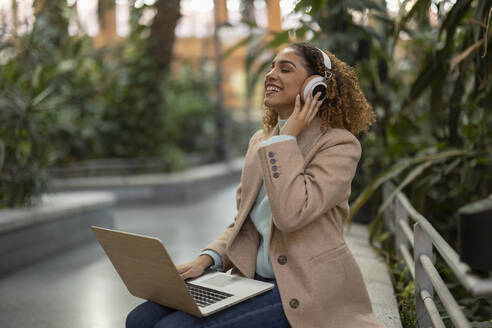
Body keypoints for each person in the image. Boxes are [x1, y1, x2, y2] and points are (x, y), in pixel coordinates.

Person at [126, 41, 385, 328]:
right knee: (140, 319)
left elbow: (290, 215)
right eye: (271, 67)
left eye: (284, 69)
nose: (270, 75)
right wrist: (207, 259)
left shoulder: (338, 145)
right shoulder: (260, 141)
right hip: (253, 283)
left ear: (316, 87)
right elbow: (245, 222)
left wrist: (286, 139)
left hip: (305, 289)